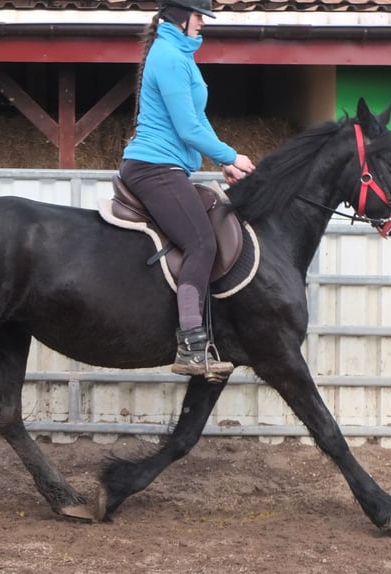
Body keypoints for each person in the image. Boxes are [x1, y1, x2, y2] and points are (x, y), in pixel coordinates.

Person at [118, 0, 256, 380]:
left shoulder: (179, 54)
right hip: (153, 167)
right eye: (199, 17)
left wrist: (223, 162)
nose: (202, 25)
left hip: (169, 166)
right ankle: (191, 345)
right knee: (201, 243)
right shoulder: (170, 57)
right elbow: (187, 130)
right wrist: (231, 154)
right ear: (180, 17)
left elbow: (199, 120)